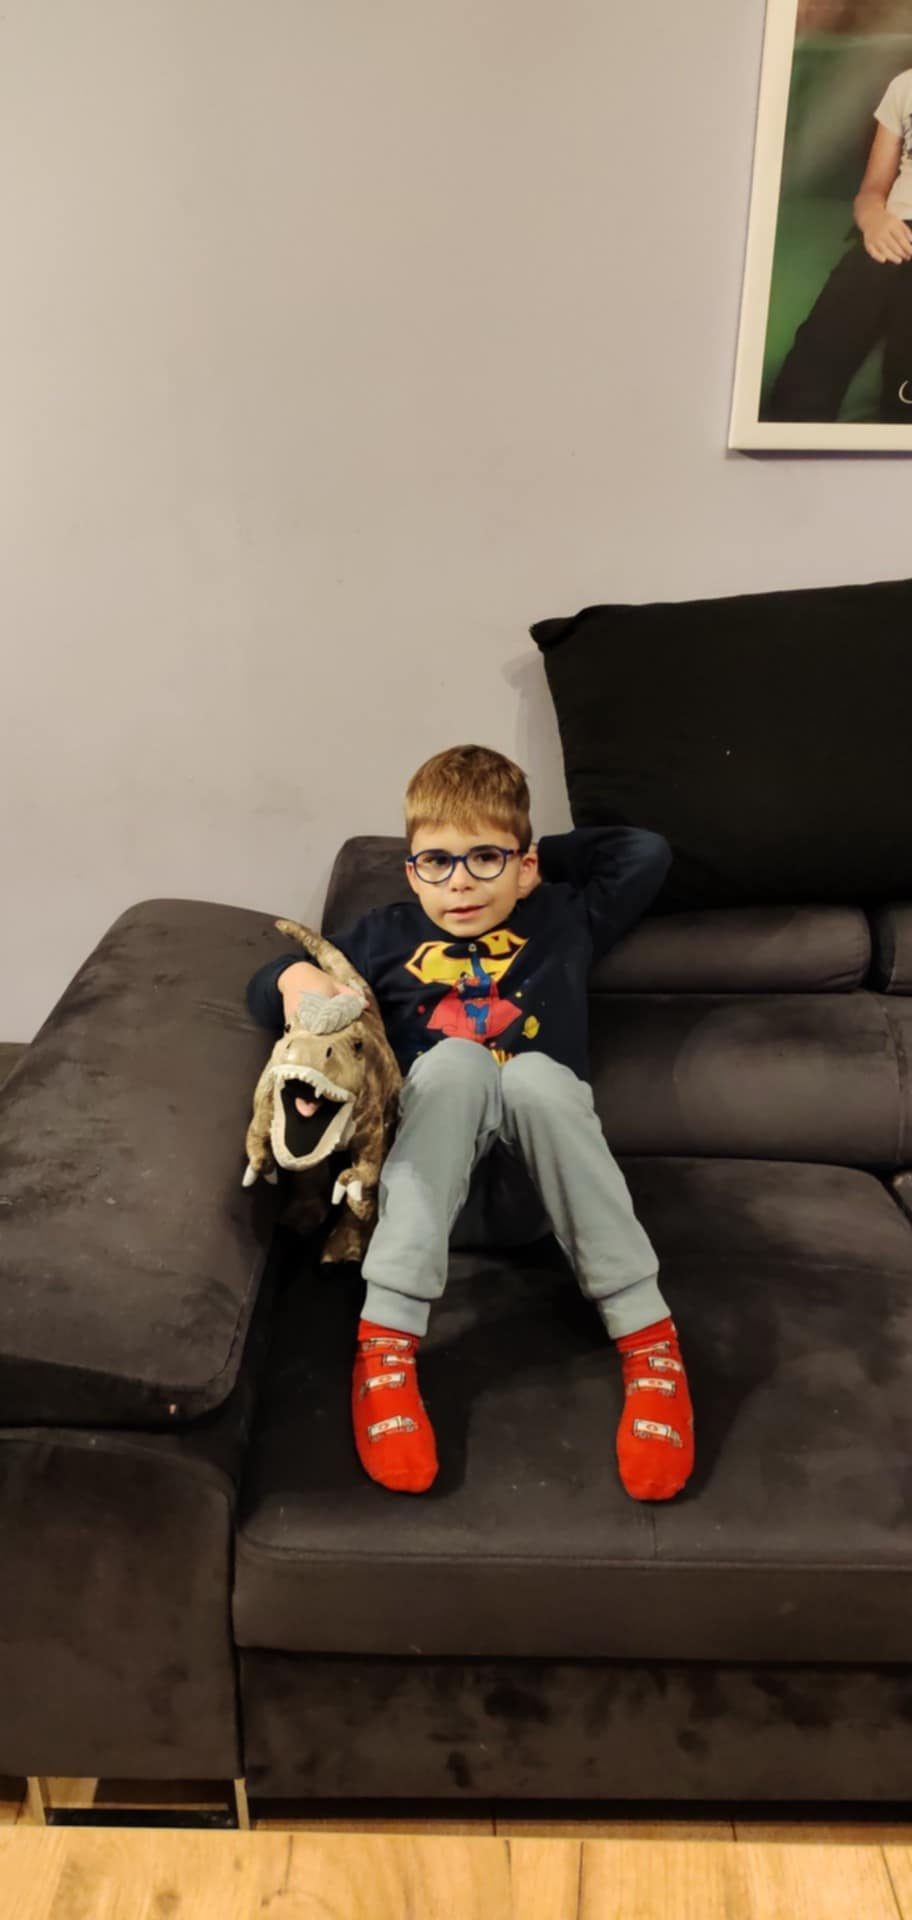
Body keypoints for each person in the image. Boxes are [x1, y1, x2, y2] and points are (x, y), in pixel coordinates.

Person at [245, 745, 694, 1503]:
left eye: (484, 858)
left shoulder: (563, 918)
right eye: (437, 862)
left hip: (537, 1195)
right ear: (411, 870)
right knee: (456, 1063)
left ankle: (649, 1341)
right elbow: (262, 987)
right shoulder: (382, 937)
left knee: (534, 1077)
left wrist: (529, 858)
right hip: (427, 1197)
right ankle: (386, 1342)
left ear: (525, 865)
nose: (459, 882)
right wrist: (295, 976)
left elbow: (643, 852)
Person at [765, 66, 912, 422]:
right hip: (895, 230)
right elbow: (871, 192)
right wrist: (873, 219)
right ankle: (788, 429)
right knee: (827, 334)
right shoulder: (905, 86)